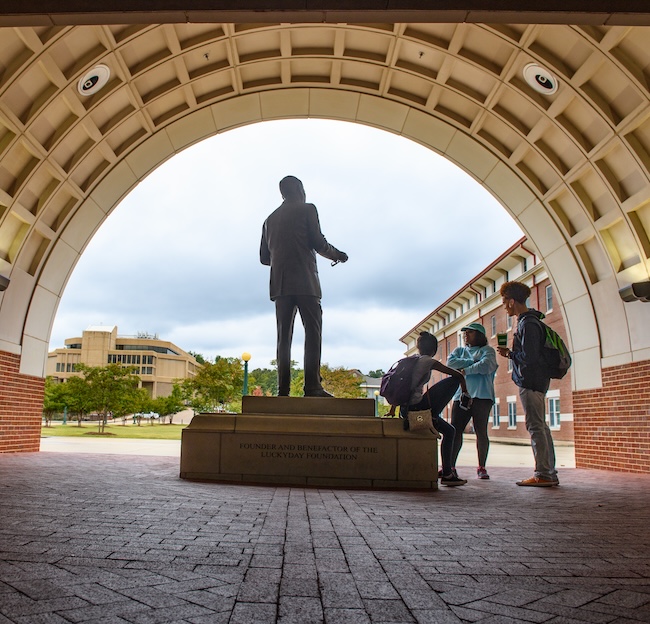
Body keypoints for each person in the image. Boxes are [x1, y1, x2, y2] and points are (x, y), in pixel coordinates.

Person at [260, 176, 348, 398]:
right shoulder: (308, 209)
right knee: (313, 332)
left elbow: (264, 258)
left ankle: (283, 390)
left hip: (280, 286)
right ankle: (312, 387)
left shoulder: (269, 220)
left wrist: (282, 256)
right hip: (305, 282)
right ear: (299, 189)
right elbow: (318, 243)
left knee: (283, 338)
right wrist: (338, 255)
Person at [496, 281, 559, 486]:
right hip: (537, 381)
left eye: (505, 301)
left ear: (512, 301)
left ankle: (543, 474)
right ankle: (548, 471)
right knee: (540, 426)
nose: (505, 306)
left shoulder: (527, 324)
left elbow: (529, 357)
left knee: (536, 427)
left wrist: (510, 354)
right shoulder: (531, 321)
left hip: (531, 381)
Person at [396, 331, 469, 486]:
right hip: (418, 409)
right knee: (453, 381)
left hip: (407, 409)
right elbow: (456, 375)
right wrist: (464, 389)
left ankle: (447, 470)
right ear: (434, 349)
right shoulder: (428, 361)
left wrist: (394, 409)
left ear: (419, 347)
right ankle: (448, 473)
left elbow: (401, 386)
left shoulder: (413, 360)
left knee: (450, 431)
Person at [447, 322, 498, 480]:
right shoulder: (460, 351)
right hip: (461, 396)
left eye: (470, 332)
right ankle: (451, 467)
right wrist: (473, 362)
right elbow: (450, 364)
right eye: (465, 333)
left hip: (482, 397)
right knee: (455, 431)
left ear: (480, 335)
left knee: (481, 432)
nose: (466, 335)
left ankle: (482, 467)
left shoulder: (487, 350)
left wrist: (466, 370)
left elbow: (487, 366)